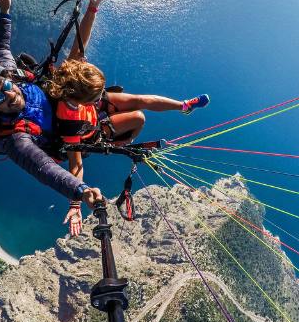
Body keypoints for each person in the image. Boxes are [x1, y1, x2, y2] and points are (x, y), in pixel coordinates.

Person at [0, 0, 108, 237]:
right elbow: (44, 169)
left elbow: (0, 48)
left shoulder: (11, 74)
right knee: (76, 70)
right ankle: (92, 7)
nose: (8, 95)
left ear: (7, 79)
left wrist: (4, 12)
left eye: (6, 86)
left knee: (73, 65)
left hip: (49, 102)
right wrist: (80, 191)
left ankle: (93, 6)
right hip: (57, 132)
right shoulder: (16, 139)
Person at [45, 58, 209, 230]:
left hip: (92, 110)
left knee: (140, 100)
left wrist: (87, 28)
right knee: (138, 118)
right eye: (98, 94)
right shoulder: (70, 122)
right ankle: (122, 141)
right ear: (84, 99)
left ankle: (184, 106)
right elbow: (76, 164)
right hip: (93, 130)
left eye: (101, 91)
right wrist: (75, 203)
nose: (102, 94)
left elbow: (83, 38)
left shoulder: (76, 77)